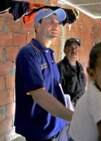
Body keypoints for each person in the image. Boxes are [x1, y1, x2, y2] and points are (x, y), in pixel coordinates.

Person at [15, 8, 73, 141]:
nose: (55, 25)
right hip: (40, 131)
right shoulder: (28, 53)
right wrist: (74, 117)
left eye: (57, 22)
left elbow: (53, 89)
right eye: (50, 21)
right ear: (37, 26)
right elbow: (39, 95)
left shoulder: (49, 53)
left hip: (56, 126)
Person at [57, 38, 86, 106]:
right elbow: (57, 92)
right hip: (68, 107)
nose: (74, 50)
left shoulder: (80, 66)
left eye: (76, 48)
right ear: (65, 51)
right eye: (71, 48)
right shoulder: (60, 67)